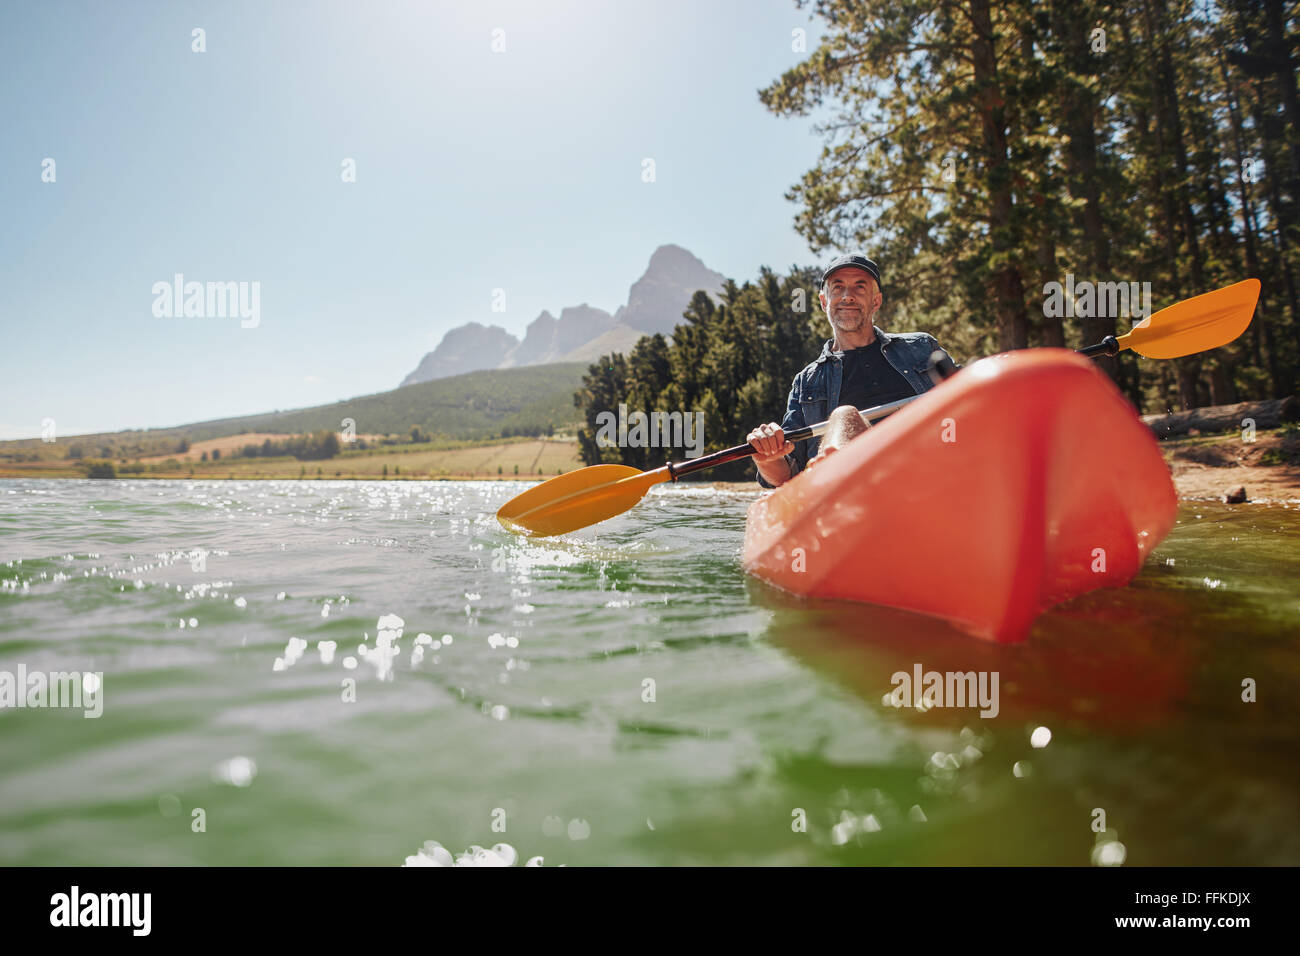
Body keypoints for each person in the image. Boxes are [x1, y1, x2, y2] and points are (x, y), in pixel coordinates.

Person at [748, 254, 956, 487]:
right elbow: (785, 476)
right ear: (824, 302)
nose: (847, 296)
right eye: (838, 287)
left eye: (859, 287)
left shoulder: (921, 348)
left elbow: (972, 403)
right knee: (844, 416)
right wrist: (767, 458)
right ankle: (837, 477)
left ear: (876, 301)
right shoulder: (806, 382)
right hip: (848, 496)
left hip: (930, 478)